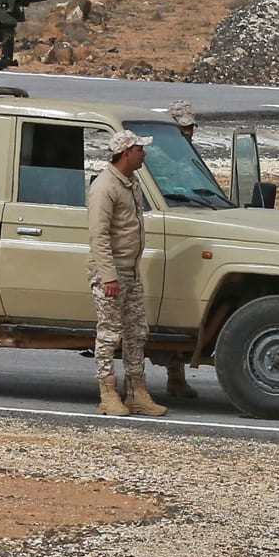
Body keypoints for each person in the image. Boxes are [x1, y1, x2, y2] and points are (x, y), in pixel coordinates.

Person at [87, 130, 170, 417]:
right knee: (110, 334)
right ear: (126, 153)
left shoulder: (130, 183)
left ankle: (137, 392)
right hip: (112, 274)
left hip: (131, 272)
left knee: (137, 332)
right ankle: (108, 393)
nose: (144, 154)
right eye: (139, 149)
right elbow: (98, 236)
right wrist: (108, 276)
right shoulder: (104, 186)